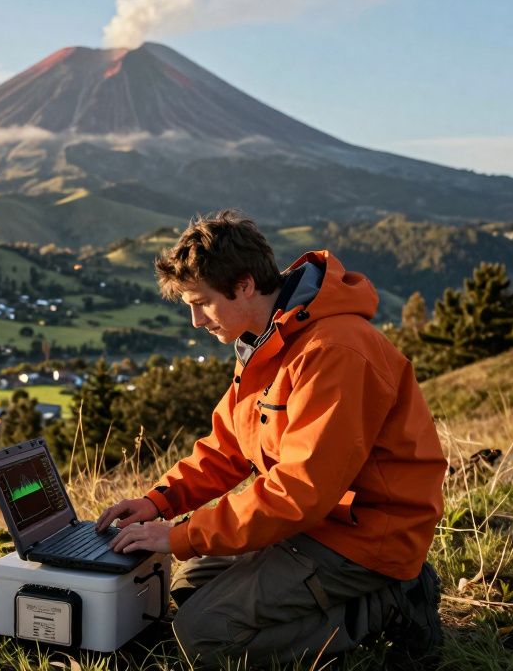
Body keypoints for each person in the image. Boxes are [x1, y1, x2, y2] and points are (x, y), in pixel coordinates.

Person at [96, 210, 448, 668]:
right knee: (187, 585)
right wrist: (159, 502)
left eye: (201, 303)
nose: (195, 322)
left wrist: (182, 534)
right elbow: (228, 447)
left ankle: (389, 604)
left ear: (244, 285)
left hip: (365, 540)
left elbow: (299, 490)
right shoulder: (267, 338)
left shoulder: (334, 352)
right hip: (312, 525)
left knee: (202, 637)